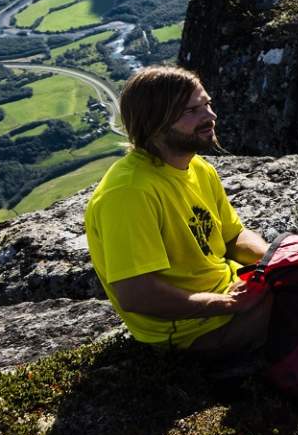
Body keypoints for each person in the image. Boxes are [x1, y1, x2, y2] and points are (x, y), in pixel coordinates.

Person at [83, 65, 272, 353]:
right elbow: (136, 294)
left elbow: (233, 236)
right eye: (191, 111)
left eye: (207, 104)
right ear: (154, 123)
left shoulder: (198, 168)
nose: (210, 116)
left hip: (231, 294)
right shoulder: (129, 193)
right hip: (191, 329)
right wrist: (227, 304)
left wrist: (278, 260)